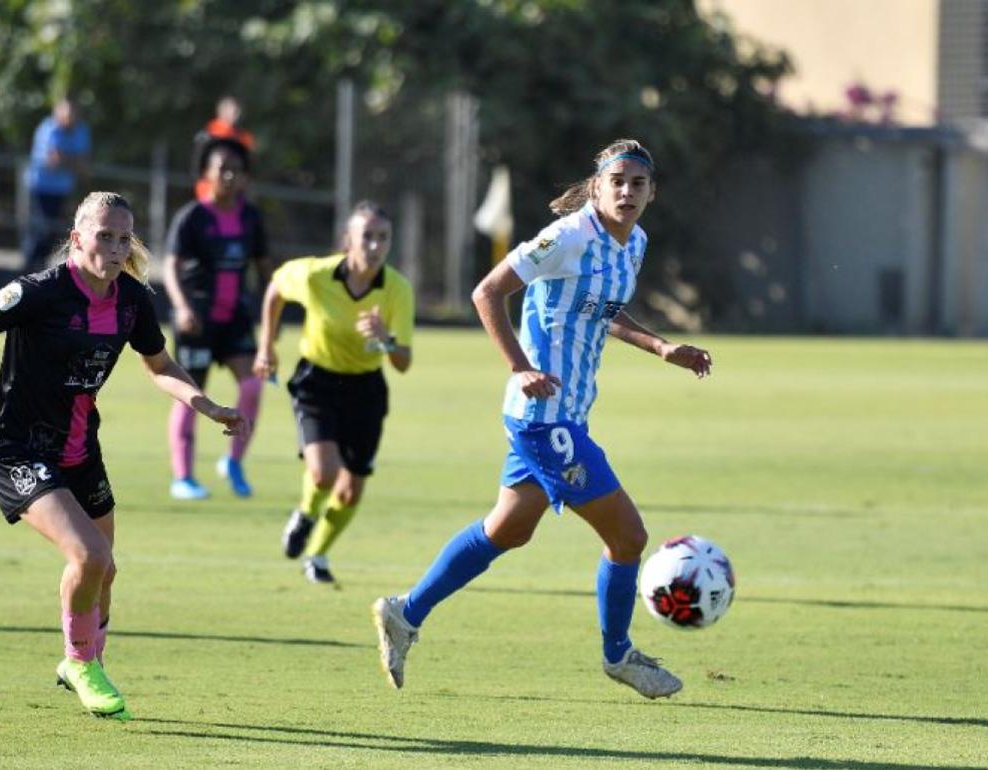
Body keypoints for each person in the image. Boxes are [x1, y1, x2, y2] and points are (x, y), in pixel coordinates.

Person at [370, 139, 713, 699]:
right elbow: (487, 293)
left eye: (638, 184)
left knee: (509, 529)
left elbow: (602, 310)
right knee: (629, 536)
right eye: (617, 181)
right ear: (597, 187)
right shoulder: (568, 237)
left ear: (652, 192)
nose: (627, 192)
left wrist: (661, 347)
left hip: (567, 412)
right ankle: (619, 654)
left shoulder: (634, 242)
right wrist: (520, 366)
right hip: (543, 419)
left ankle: (404, 613)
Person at [0, 191, 246, 721]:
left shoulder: (132, 300)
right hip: (16, 448)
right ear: (77, 239)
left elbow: (161, 365)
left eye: (124, 239)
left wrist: (207, 405)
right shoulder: (40, 292)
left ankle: (84, 662)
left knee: (106, 569)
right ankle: (80, 662)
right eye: (105, 236)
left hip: (79, 450)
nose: (117, 249)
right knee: (90, 556)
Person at [254, 201, 415, 584]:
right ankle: (306, 514)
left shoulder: (397, 289)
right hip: (318, 382)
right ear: (348, 239)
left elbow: (403, 362)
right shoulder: (317, 274)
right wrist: (266, 347)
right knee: (324, 473)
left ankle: (318, 555)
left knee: (349, 492)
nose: (375, 246)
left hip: (366, 389)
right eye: (367, 236)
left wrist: (386, 339)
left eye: (383, 238)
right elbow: (276, 287)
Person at [163, 138, 269, 499]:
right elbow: (171, 267)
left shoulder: (251, 218)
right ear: (206, 174)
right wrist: (182, 307)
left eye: (235, 170)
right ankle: (183, 477)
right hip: (197, 319)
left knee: (253, 386)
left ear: (245, 177)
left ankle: (234, 461)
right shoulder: (192, 217)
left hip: (236, 319)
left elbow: (264, 270)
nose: (228, 175)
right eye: (221, 168)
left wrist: (270, 318)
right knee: (191, 395)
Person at [23, 97, 91, 271]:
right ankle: (29, 268)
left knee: (55, 231)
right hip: (41, 187)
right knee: (41, 229)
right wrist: (73, 161)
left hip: (63, 189)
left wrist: (66, 159)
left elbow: (83, 164)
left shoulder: (81, 130)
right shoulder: (48, 128)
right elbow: (54, 160)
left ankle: (39, 267)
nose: (69, 118)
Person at [192, 96, 256, 202]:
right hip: (210, 189)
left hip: (237, 192)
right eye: (233, 111)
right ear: (221, 112)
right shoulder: (208, 136)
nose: (236, 115)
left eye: (237, 111)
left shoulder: (243, 138)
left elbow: (248, 168)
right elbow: (198, 167)